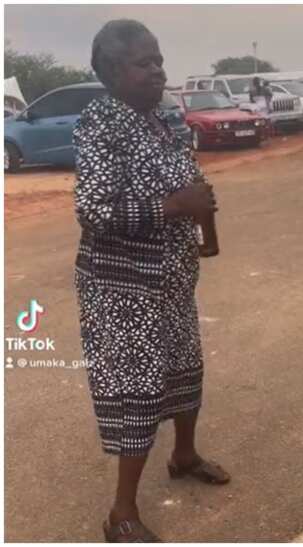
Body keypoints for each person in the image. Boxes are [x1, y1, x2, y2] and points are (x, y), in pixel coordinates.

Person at [75, 19, 229, 542]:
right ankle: (120, 512)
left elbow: (193, 185)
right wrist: (172, 207)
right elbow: (93, 211)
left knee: (186, 367)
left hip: (172, 279)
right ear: (113, 72)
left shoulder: (163, 120)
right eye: (145, 62)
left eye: (159, 58)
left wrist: (205, 225)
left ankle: (183, 456)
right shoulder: (103, 122)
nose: (158, 69)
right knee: (139, 391)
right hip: (123, 289)